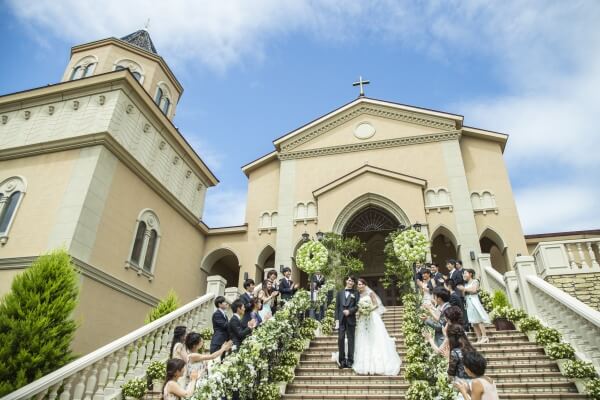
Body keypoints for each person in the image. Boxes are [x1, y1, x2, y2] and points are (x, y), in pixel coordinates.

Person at [352, 278, 401, 375]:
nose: (359, 286)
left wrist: (368, 309)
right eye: (358, 284)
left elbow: (376, 305)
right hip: (362, 319)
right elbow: (357, 307)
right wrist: (361, 312)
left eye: (361, 284)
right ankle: (363, 364)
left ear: (365, 285)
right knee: (363, 339)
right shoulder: (357, 295)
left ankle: (379, 364)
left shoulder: (370, 293)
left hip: (372, 317)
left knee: (375, 337)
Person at [334, 276, 359, 369]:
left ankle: (350, 361)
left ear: (353, 283)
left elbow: (357, 306)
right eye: (349, 280)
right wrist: (336, 319)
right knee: (340, 339)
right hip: (340, 320)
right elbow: (337, 307)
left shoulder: (356, 293)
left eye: (352, 281)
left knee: (351, 340)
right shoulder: (340, 293)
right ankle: (342, 360)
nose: (350, 282)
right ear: (346, 281)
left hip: (351, 319)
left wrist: (350, 311)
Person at [462, 269, 490, 343]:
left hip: (474, 300)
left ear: (470, 274)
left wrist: (465, 289)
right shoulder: (466, 284)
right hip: (468, 301)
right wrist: (465, 290)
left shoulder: (475, 281)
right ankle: (479, 338)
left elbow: (474, 290)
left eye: (465, 273)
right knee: (473, 321)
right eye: (463, 274)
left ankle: (484, 337)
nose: (464, 275)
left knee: (479, 319)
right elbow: (464, 294)